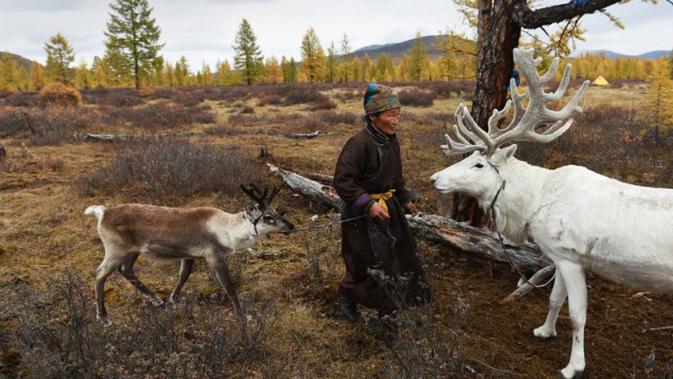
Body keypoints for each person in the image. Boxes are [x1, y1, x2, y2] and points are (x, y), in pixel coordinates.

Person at [333, 83, 431, 321]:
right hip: (361, 215)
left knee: (397, 259)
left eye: (398, 114)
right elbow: (343, 180)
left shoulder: (391, 140)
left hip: (390, 211)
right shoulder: (358, 143)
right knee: (363, 263)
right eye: (391, 115)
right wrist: (367, 204)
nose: (396, 120)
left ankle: (389, 312)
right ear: (373, 116)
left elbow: (395, 177)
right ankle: (348, 295)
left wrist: (405, 198)